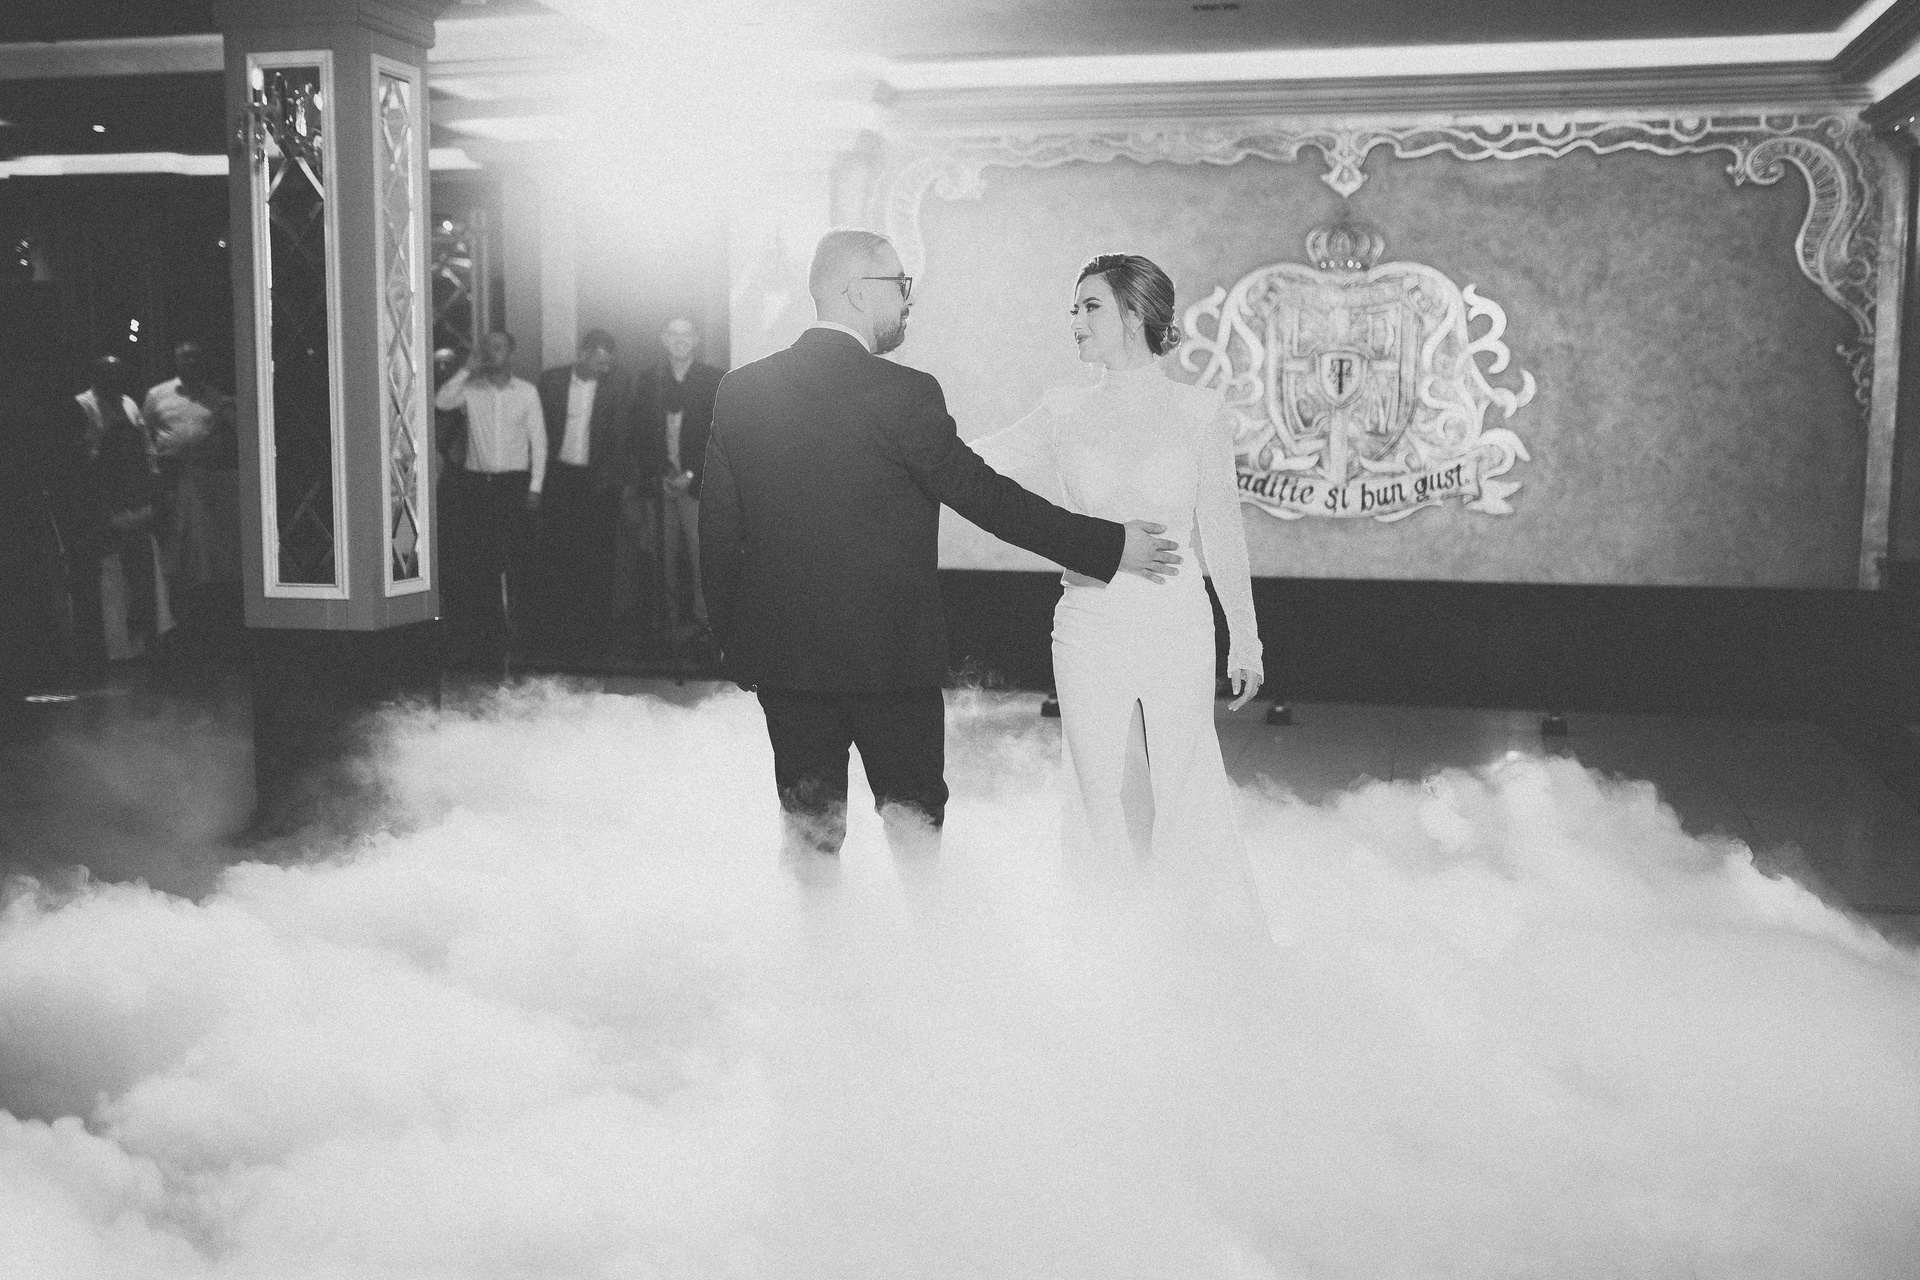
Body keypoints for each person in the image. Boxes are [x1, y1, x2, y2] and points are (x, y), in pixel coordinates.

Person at [700, 228, 1181, 863]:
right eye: (900, 284)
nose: (908, 299)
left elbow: (718, 534)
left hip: (784, 661)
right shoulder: (904, 393)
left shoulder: (741, 391)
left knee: (809, 838)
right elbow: (988, 500)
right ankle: (925, 933)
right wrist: (1110, 545)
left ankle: (816, 932)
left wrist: (738, 646)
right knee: (916, 835)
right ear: (856, 291)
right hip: (891, 664)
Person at [972, 254, 1264, 884]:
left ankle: (1187, 928)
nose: (1075, 321)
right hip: (1089, 624)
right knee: (1098, 791)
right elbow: (974, 463)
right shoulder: (1061, 410)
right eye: (1073, 308)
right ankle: (1106, 931)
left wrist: (1246, 637)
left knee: (1182, 786)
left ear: (1135, 315)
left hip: (1176, 621)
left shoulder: (1200, 410)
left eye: (1090, 306)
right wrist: (895, 442)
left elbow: (1222, 531)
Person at [433, 330, 546, 654]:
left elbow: (539, 442)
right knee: (481, 558)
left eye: (498, 347)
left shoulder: (526, 392)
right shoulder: (470, 389)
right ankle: (489, 630)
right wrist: (467, 369)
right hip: (478, 484)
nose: (491, 352)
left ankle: (523, 629)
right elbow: (441, 401)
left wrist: (535, 487)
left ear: (511, 353)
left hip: (514, 483)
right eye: (486, 347)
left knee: (518, 556)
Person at [536, 328, 637, 652]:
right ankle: (558, 627)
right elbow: (538, 430)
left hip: (599, 481)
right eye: (599, 361)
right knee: (559, 551)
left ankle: (595, 630)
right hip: (559, 478)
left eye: (609, 362)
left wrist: (619, 481)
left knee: (598, 555)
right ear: (582, 355)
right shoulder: (551, 381)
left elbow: (623, 435)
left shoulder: (619, 384)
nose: (605, 368)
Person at [76, 356, 172, 662]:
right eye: (110, 376)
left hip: (135, 492)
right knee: (113, 573)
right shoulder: (83, 405)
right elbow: (85, 458)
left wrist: (151, 479)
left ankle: (146, 636)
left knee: (143, 569)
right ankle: (117, 644)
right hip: (105, 496)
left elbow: (145, 445)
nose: (116, 382)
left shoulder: (129, 403)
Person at [141, 339, 240, 629]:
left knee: (198, 538)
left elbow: (229, 431)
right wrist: (153, 470)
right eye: (185, 357)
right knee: (172, 535)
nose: (191, 362)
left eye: (196, 357)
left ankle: (202, 597)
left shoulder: (214, 398)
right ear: (176, 361)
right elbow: (145, 436)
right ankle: (172, 597)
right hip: (168, 477)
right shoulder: (157, 395)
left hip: (203, 480)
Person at [642, 317, 723, 653]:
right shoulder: (650, 380)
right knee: (662, 561)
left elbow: (719, 437)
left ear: (696, 339)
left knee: (702, 560)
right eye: (673, 334)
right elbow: (640, 433)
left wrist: (690, 474)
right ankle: (668, 632)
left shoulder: (714, 380)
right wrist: (659, 474)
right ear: (663, 338)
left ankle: (706, 632)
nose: (679, 340)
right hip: (661, 485)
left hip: (696, 486)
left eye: (686, 334)